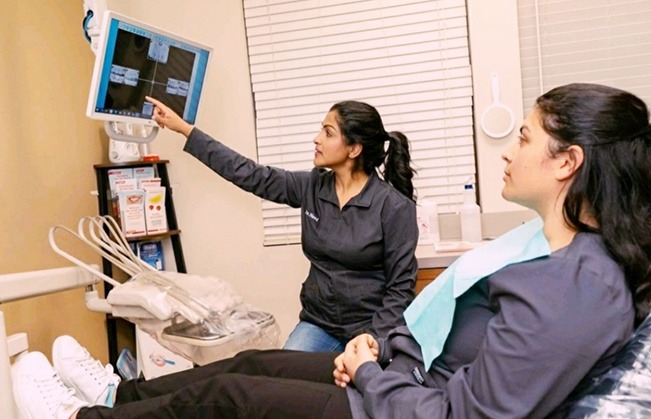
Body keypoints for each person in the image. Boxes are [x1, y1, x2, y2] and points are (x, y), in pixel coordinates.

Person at [12, 83, 651, 418]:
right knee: (249, 367)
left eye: (524, 136)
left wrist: (369, 354)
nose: (508, 151)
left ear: (569, 161)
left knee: (231, 400)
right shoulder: (540, 247)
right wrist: (186, 132)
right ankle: (114, 399)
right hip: (385, 361)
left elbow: (407, 299)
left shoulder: (574, 283)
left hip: (387, 374)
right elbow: (252, 174)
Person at [146, 97, 419, 352]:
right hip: (319, 325)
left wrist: (374, 341)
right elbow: (248, 173)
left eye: (328, 133)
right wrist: (183, 128)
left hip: (370, 329)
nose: (317, 139)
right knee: (284, 387)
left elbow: (400, 287)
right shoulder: (312, 186)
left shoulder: (393, 207)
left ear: (354, 148)